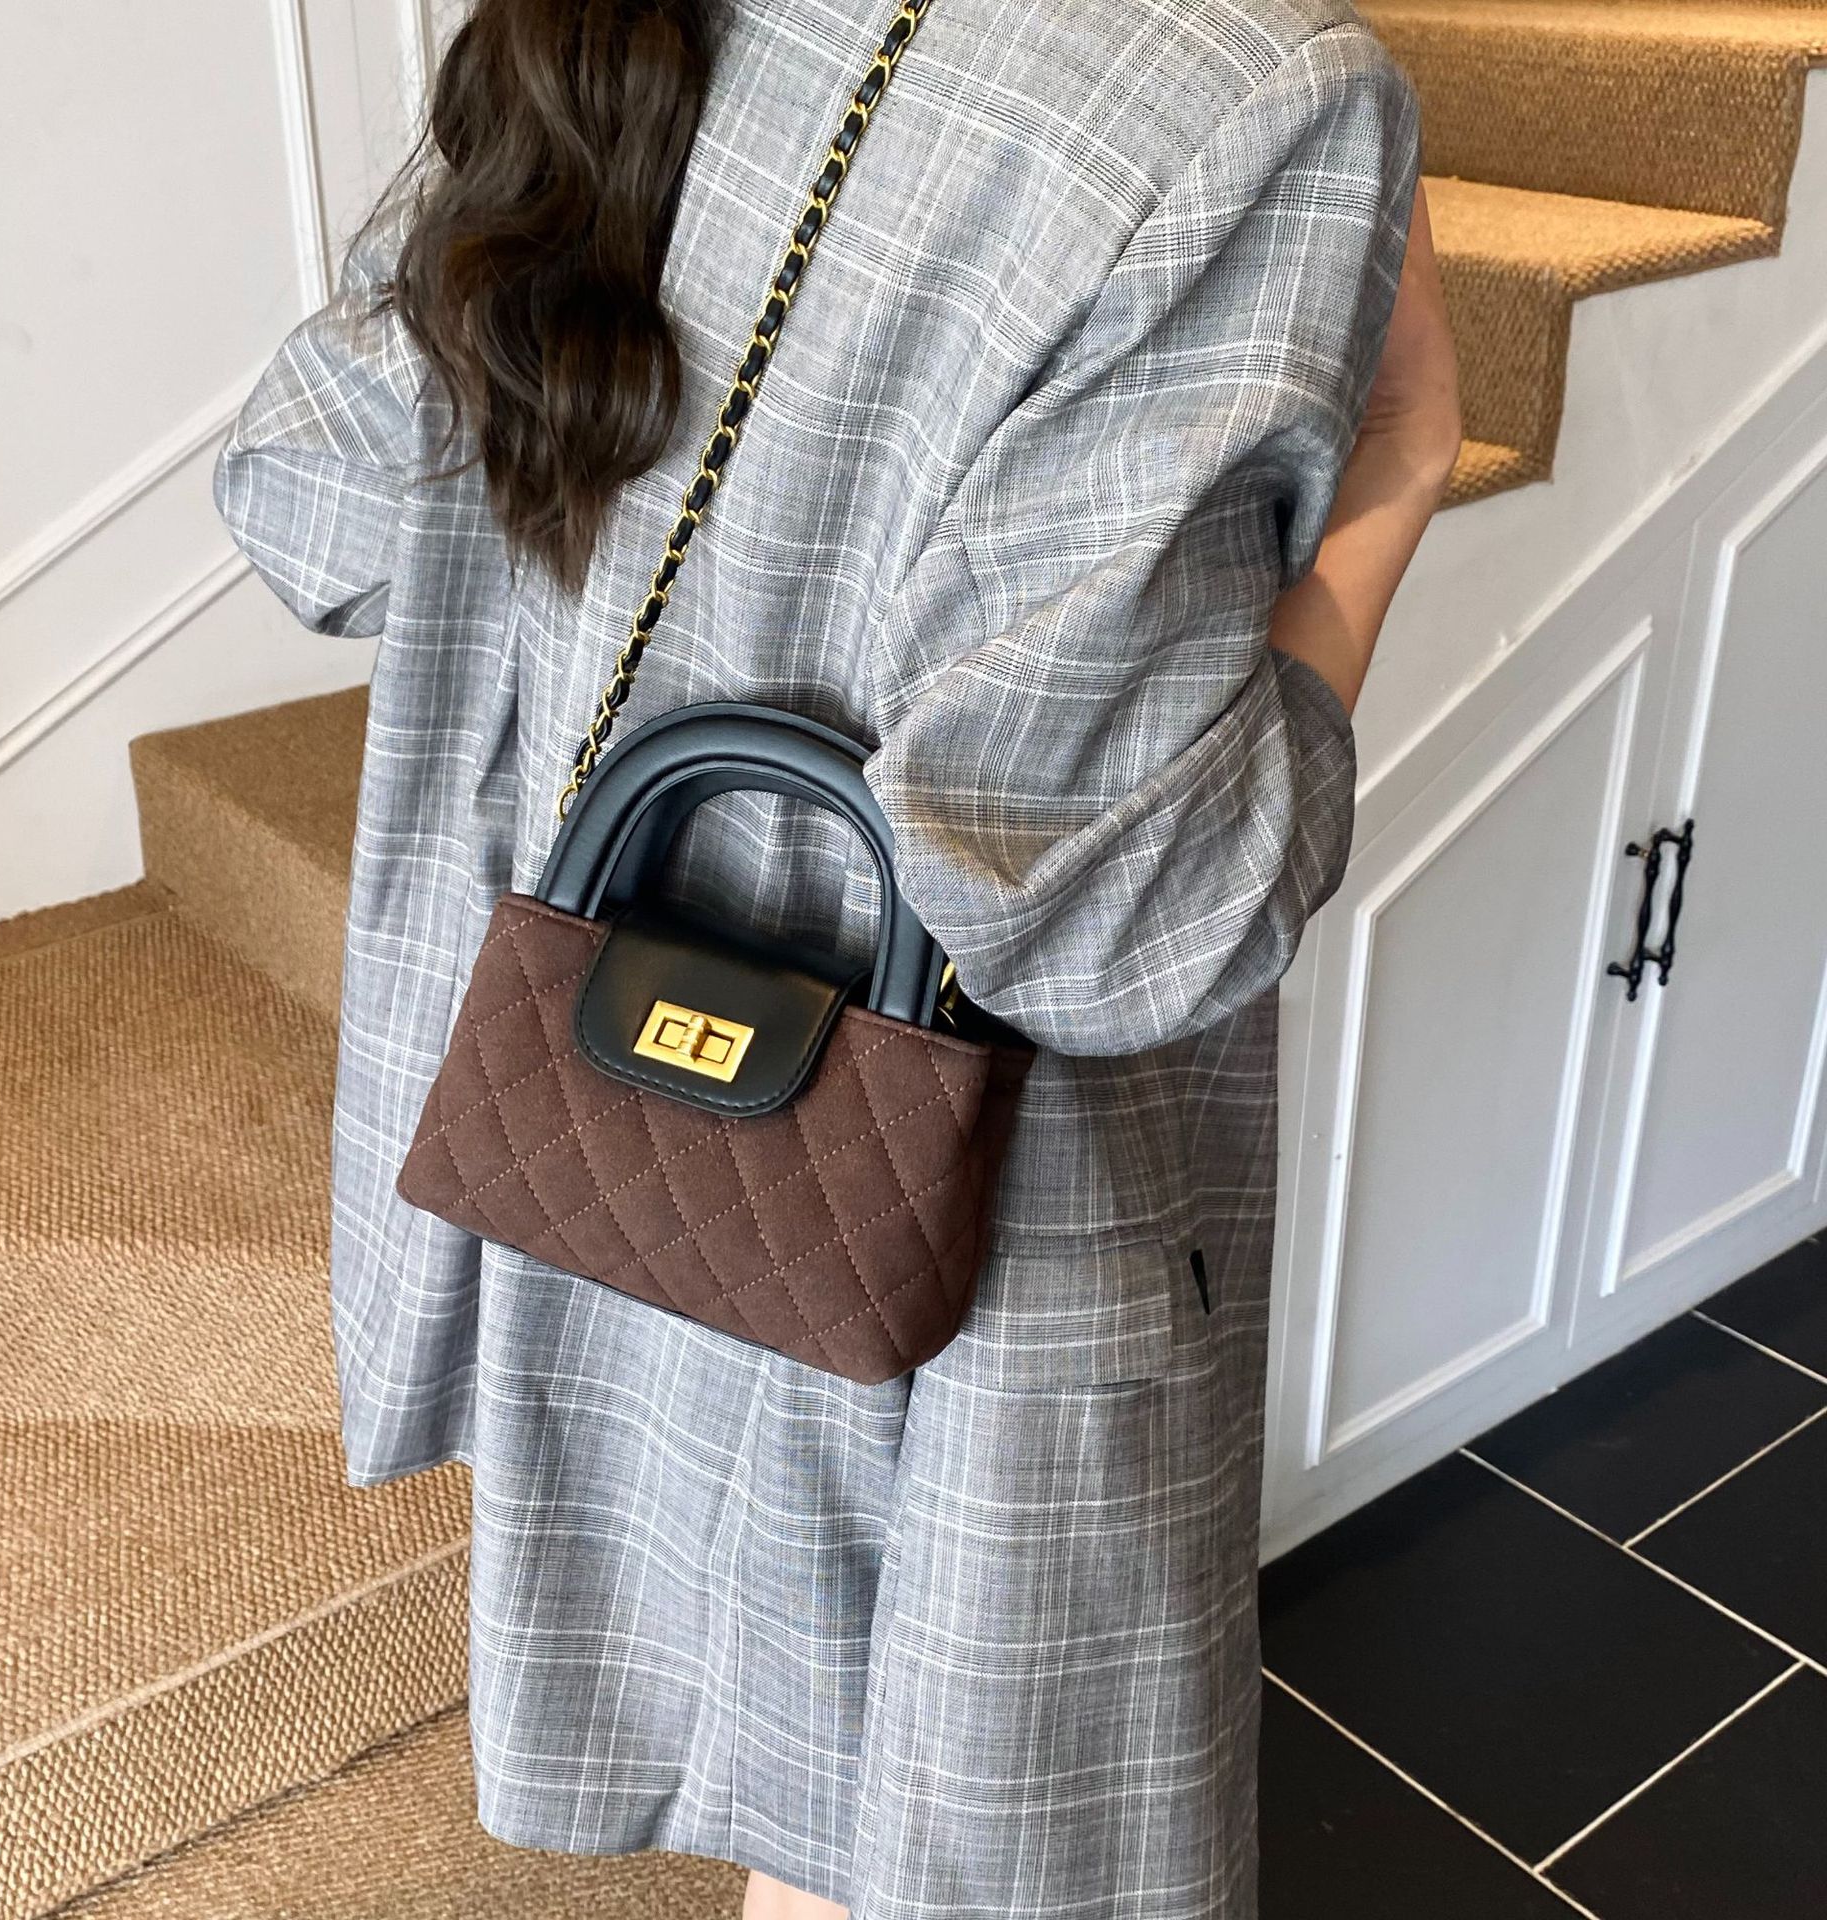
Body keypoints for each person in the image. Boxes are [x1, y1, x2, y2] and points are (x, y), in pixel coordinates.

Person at [214, 0, 1458, 1913]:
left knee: (806, 1814)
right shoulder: (1249, 89)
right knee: (920, 1824)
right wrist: (1395, 483)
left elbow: (317, 500)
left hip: (603, 1119)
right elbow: (1126, 909)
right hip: (947, 1228)